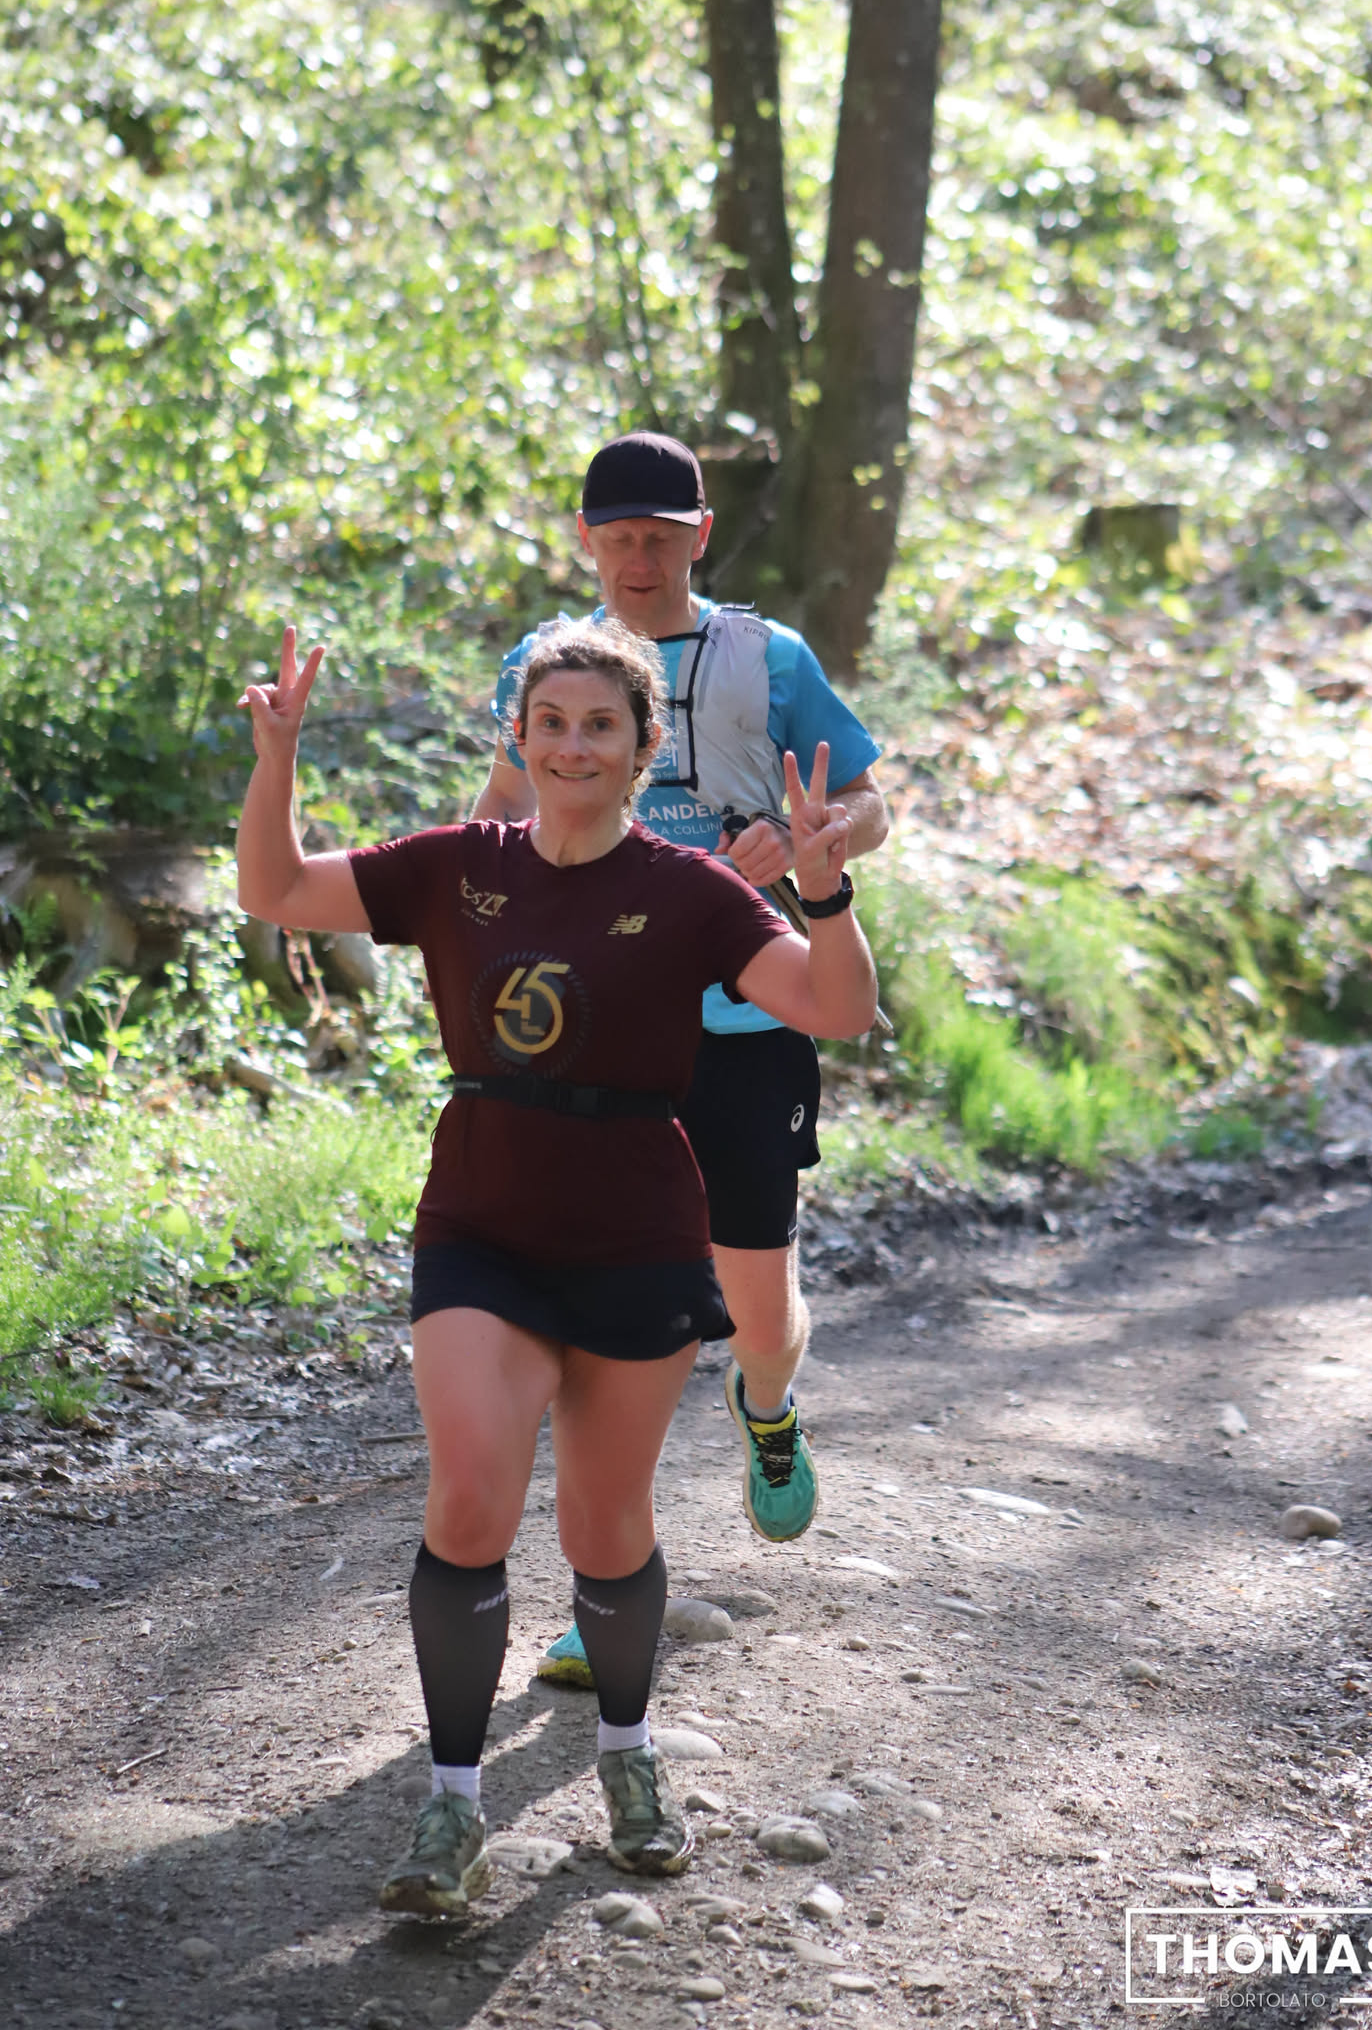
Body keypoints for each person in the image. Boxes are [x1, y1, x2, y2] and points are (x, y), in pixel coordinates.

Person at [236, 616, 877, 1916]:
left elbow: (833, 1007)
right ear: (516, 740)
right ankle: (452, 1806)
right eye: (551, 723)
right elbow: (279, 892)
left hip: (638, 1230)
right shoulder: (452, 865)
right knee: (470, 1499)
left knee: (604, 1528)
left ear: (645, 750)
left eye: (601, 725)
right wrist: (278, 756)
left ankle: (630, 1761)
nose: (573, 744)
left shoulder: (696, 892)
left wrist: (824, 887)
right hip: (481, 1222)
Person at [474, 432, 888, 1686]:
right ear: (587, 542)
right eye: (619, 536)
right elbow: (498, 816)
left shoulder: (772, 660)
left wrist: (817, 843)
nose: (640, 557)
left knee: (755, 1314)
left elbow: (871, 797)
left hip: (748, 1026)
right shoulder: (547, 664)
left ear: (701, 536)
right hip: (596, 1035)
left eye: (663, 534)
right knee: (603, 1321)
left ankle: (766, 1403)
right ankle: (598, 1595)